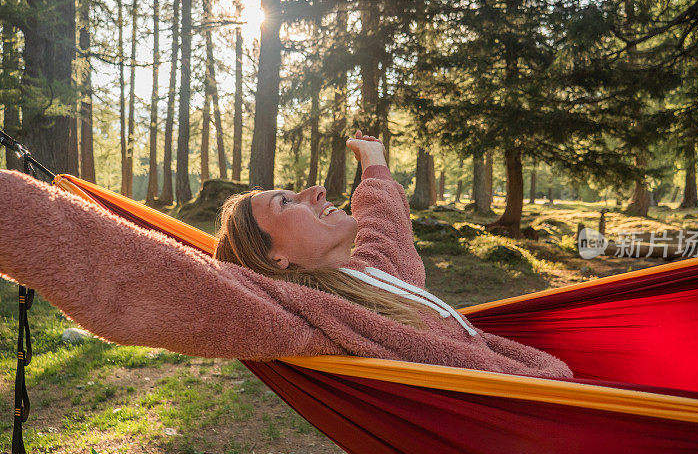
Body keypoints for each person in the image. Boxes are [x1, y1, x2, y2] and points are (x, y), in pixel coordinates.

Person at [0, 132, 573, 379]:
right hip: (538, 416)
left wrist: (373, 163)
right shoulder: (296, 315)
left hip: (543, 382)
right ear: (275, 261)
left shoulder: (371, 276)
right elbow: (147, 273)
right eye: (287, 201)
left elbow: (385, 226)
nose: (315, 192)